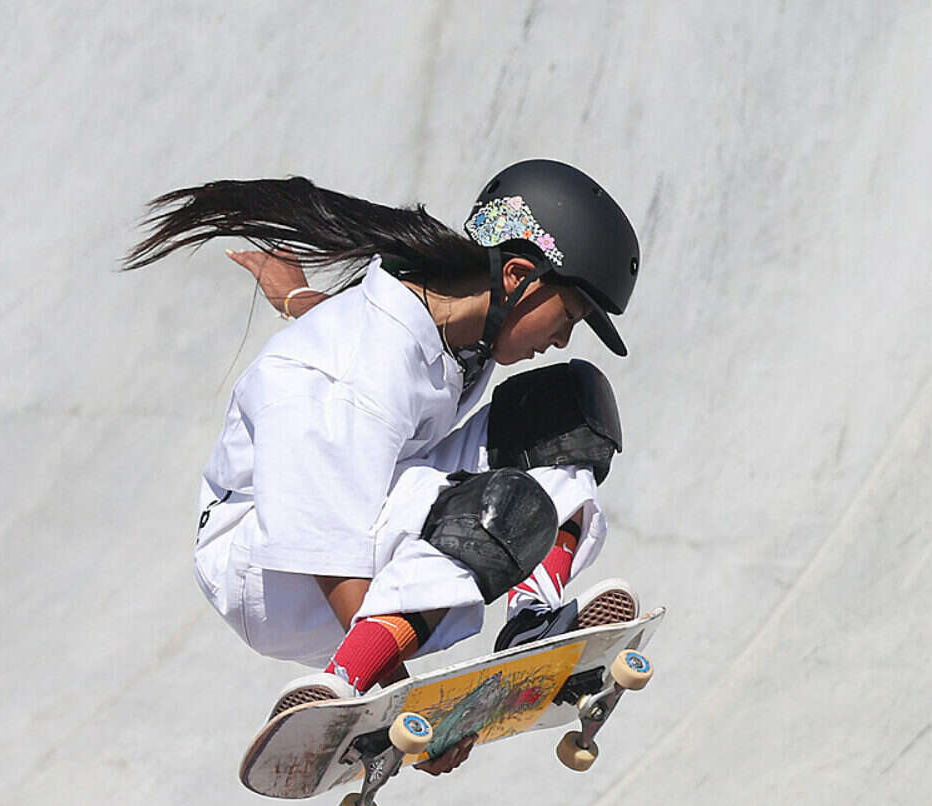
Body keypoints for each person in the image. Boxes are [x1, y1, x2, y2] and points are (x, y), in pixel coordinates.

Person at [126, 160, 642, 775]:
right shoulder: (355, 374)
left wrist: (296, 298)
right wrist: (402, 705)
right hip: (268, 566)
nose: (562, 339)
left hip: (353, 497)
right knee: (495, 513)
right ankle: (344, 678)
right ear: (518, 277)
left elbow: (372, 349)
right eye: (570, 316)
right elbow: (325, 539)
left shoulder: (447, 316)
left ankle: (532, 621)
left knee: (567, 410)